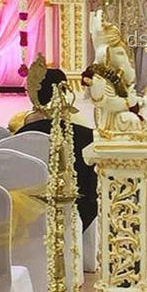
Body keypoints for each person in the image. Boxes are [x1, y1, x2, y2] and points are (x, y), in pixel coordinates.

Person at [16, 68, 97, 230]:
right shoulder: (86, 136)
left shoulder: (19, 137)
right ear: (65, 92)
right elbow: (92, 191)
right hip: (78, 218)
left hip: (27, 222)